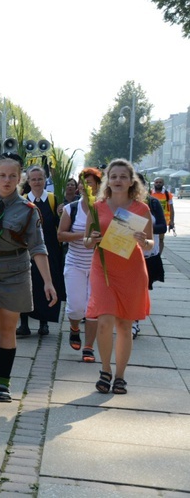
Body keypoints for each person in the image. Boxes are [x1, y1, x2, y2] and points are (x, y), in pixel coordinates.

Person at [0, 155, 57, 402]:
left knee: (7, 329)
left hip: (15, 270)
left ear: (21, 179)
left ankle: (4, 383)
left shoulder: (28, 210)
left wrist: (48, 282)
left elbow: (38, 247)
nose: (7, 180)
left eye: (12, 176)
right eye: (2, 175)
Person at [84, 159, 153, 395]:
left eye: (123, 176)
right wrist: (90, 240)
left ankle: (120, 375)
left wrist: (145, 241)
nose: (118, 180)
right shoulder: (98, 206)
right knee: (104, 320)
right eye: (114, 176)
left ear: (131, 180)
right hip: (103, 269)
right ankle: (105, 370)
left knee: (125, 324)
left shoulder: (141, 209)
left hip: (131, 270)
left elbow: (150, 242)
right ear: (108, 180)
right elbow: (86, 240)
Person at [57, 168, 103, 363]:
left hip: (98, 266)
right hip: (75, 262)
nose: (86, 187)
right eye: (82, 183)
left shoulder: (105, 209)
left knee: (93, 309)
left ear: (99, 185)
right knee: (76, 308)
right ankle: (74, 327)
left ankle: (89, 347)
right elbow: (60, 235)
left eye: (90, 183)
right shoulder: (71, 209)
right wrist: (83, 236)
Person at [17, 166, 65, 336]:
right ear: (28, 182)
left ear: (45, 180)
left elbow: (61, 225)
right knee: (26, 286)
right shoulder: (22, 200)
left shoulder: (53, 200)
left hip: (49, 250)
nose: (37, 182)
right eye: (33, 179)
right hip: (27, 250)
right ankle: (24, 323)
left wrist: (61, 214)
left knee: (47, 284)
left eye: (40, 179)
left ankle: (44, 323)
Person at [133, 173, 167, 338]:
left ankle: (135, 321)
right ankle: (130, 319)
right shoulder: (121, 203)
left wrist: (146, 230)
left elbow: (163, 226)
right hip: (125, 253)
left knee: (141, 288)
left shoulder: (152, 203)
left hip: (147, 253)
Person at [150, 177, 174, 254]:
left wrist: (172, 221)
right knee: (150, 237)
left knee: (161, 239)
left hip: (162, 221)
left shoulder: (168, 195)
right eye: (156, 182)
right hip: (151, 219)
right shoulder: (149, 193)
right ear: (154, 183)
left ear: (163, 184)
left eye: (160, 182)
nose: (158, 184)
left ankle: (159, 255)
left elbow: (171, 209)